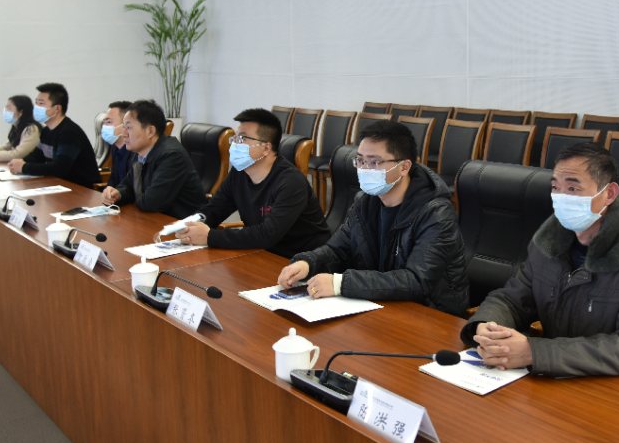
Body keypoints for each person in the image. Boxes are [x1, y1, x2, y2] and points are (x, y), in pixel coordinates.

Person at [460, 142, 619, 385]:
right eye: (556, 188)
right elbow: (512, 299)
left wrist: (534, 352)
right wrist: (486, 327)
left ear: (609, 194)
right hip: (567, 373)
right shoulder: (547, 243)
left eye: (573, 188)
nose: (561, 198)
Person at [277, 119, 468, 316]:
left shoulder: (436, 214)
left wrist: (341, 283)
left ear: (404, 167)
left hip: (430, 315)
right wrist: (307, 263)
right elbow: (337, 250)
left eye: (374, 162)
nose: (364, 169)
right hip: (380, 304)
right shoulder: (365, 202)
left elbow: (416, 281)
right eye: (360, 161)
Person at [177, 108, 329, 258]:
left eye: (242, 139)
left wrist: (210, 236)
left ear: (266, 148)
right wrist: (192, 224)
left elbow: (267, 235)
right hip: (262, 253)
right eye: (234, 138)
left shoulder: (291, 182)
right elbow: (215, 209)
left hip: (302, 261)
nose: (234, 144)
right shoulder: (239, 173)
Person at [101, 100, 206, 218]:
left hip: (183, 224)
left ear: (150, 131)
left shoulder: (171, 156)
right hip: (154, 220)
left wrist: (132, 197)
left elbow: (152, 203)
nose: (124, 134)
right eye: (124, 127)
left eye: (129, 127)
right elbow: (129, 185)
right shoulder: (139, 153)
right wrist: (118, 194)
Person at [8, 82, 101, 188]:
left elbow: (59, 168)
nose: (36, 107)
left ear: (57, 109)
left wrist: (24, 167)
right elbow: (36, 157)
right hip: (59, 185)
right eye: (36, 103)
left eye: (41, 104)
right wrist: (18, 163)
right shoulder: (46, 131)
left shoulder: (69, 132)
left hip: (81, 189)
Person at [0, 95, 41, 162]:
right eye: (6, 109)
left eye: (9, 108)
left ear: (21, 112)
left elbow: (17, 154)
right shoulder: (17, 128)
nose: (6, 112)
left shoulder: (31, 129)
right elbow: (7, 147)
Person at [100, 100, 136, 191]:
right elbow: (113, 180)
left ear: (125, 124)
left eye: (109, 122)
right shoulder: (115, 149)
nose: (104, 126)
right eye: (104, 122)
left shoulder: (136, 152)